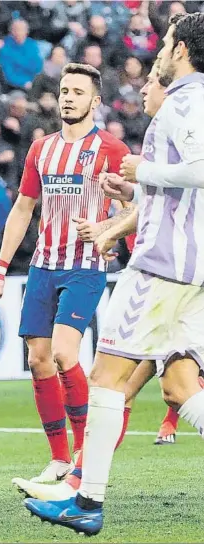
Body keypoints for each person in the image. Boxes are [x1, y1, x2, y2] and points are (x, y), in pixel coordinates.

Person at [24, 13, 204, 535]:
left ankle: (86, 500)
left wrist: (141, 172)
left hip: (161, 268)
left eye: (167, 42)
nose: (161, 50)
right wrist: (137, 195)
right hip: (192, 271)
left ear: (183, 50)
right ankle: (83, 494)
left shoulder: (183, 102)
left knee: (105, 379)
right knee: (179, 387)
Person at [0, 63, 132, 484]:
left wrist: (104, 229)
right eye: (65, 90)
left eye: (77, 91)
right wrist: (0, 266)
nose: (68, 97)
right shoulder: (40, 150)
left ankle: (87, 452)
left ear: (95, 101)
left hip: (85, 267)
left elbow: (135, 210)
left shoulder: (112, 149)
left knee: (67, 353)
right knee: (38, 360)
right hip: (42, 266)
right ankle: (58, 457)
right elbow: (23, 209)